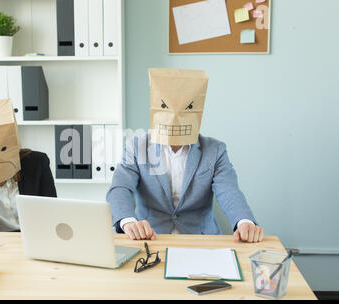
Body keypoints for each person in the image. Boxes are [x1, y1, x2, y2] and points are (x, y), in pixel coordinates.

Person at [106, 68, 263, 243]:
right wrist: (128, 222)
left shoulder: (215, 150)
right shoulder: (136, 147)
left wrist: (244, 221)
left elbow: (229, 191)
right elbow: (120, 188)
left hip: (201, 240)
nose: (175, 117)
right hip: (150, 238)